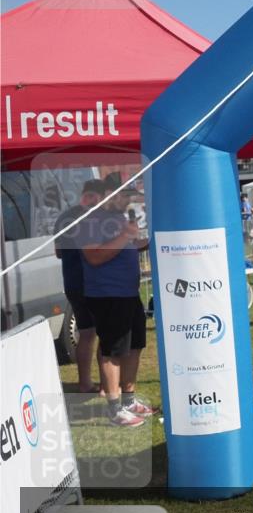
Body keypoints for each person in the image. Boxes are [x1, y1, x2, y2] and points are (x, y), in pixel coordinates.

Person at [78, 181, 155, 426]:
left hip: (128, 294)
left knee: (134, 346)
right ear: (108, 195)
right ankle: (114, 409)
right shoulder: (90, 221)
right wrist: (125, 236)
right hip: (106, 295)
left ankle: (129, 400)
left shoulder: (119, 219)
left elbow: (130, 246)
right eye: (125, 195)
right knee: (113, 350)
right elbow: (94, 256)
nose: (129, 201)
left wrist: (152, 240)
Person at [54, 179, 105, 396]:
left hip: (72, 282)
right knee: (106, 334)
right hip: (95, 283)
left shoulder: (64, 217)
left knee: (86, 334)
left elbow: (58, 252)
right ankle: (106, 385)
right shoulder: (97, 218)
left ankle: (85, 383)